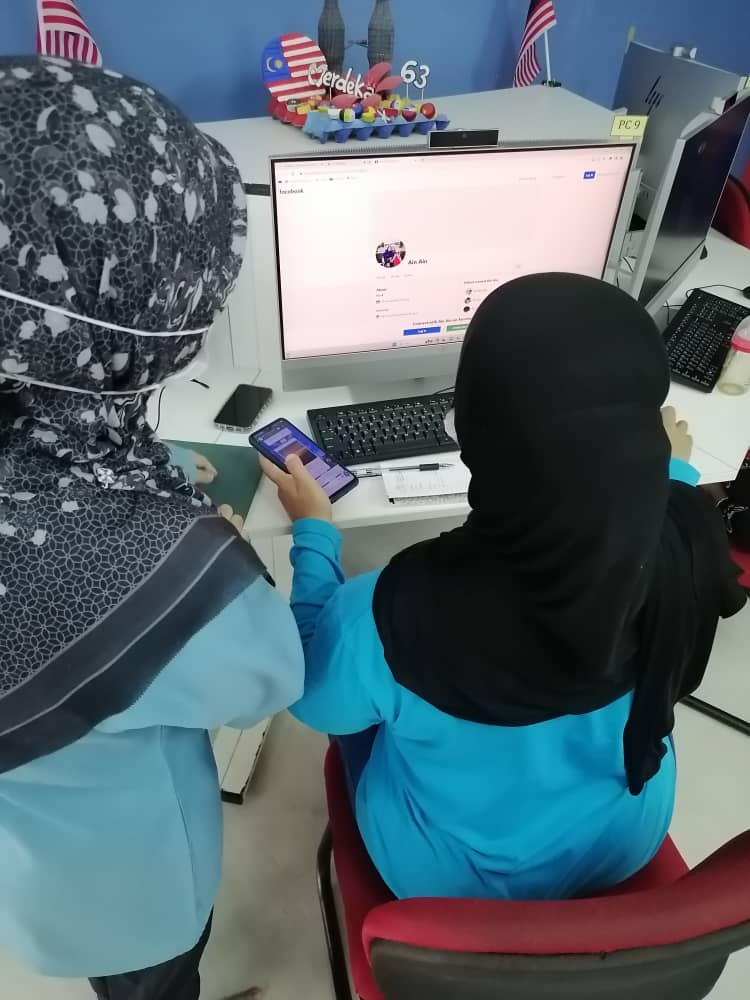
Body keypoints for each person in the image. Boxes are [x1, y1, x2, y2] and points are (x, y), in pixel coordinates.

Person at [262, 272, 746, 901]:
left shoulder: (391, 613)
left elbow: (309, 697)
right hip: (622, 842)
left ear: (476, 429)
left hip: (444, 882)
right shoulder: (691, 537)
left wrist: (315, 533)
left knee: (359, 702)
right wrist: (670, 473)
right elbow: (656, 512)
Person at [0, 56, 303, 999]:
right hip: (136, 886)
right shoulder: (155, 566)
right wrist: (204, 551)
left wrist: (144, 471)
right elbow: (267, 680)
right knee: (153, 984)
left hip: (34, 863)